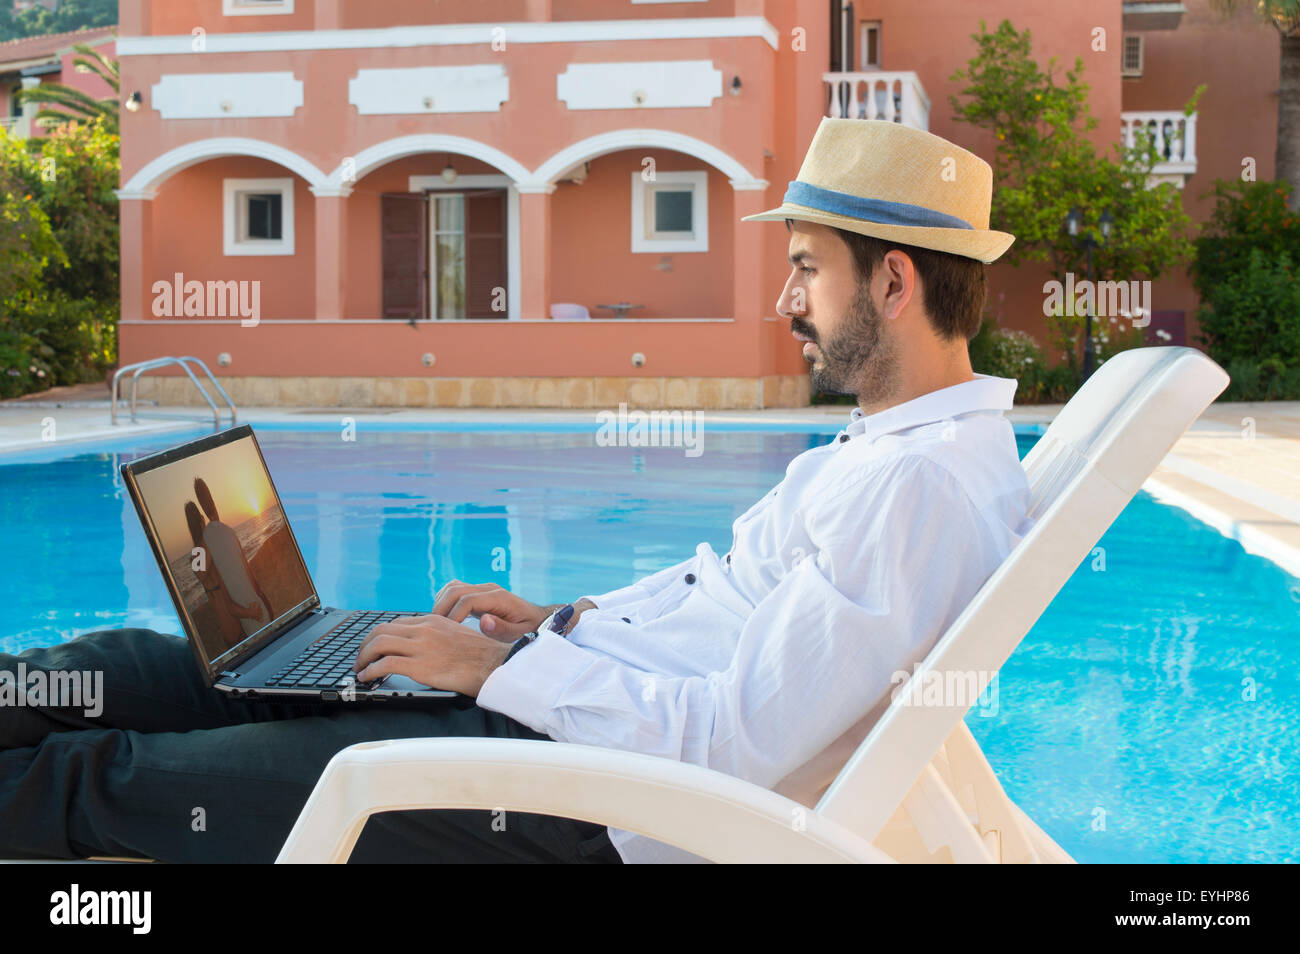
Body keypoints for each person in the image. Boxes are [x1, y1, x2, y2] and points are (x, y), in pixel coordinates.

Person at [0, 119, 1031, 863]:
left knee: (114, 777)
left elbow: (726, 749)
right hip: (559, 709)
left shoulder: (916, 489)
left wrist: (492, 677)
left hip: (565, 786)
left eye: (807, 269)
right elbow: (720, 615)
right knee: (132, 665)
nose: (783, 299)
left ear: (894, 285)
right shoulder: (894, 450)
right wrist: (550, 626)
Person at [193, 476, 274, 635]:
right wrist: (262, 597)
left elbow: (198, 571)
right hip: (254, 603)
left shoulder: (207, 539)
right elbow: (248, 572)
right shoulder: (228, 531)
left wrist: (199, 535)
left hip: (246, 609)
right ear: (212, 499)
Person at [184, 501, 265, 652]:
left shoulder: (204, 552)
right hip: (232, 626)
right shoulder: (197, 556)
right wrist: (206, 534)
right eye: (200, 518)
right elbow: (201, 574)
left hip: (236, 621)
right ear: (199, 521)